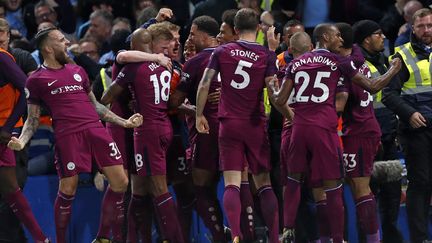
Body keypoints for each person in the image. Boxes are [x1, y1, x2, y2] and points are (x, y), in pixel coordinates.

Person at [7, 27, 143, 243]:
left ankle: (102, 238)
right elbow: (32, 119)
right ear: (49, 48)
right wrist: (22, 141)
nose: (67, 44)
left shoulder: (78, 71)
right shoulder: (37, 80)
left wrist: (123, 122)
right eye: (62, 40)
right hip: (68, 135)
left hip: (96, 130)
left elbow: (96, 106)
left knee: (121, 183)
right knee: (68, 189)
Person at [271, 23, 401, 243]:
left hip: (298, 129)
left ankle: (287, 229)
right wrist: (394, 69)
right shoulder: (338, 62)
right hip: (326, 129)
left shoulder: (295, 63)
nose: (340, 39)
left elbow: (280, 100)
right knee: (335, 187)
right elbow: (371, 86)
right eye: (336, 36)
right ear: (325, 37)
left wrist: (274, 89)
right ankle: (339, 239)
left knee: (294, 180)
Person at [195, 8, 280, 243]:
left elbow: (204, 84)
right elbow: (273, 92)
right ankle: (274, 238)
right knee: (263, 183)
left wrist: (198, 115)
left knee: (231, 182)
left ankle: (235, 235)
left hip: (228, 123)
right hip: (254, 124)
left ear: (235, 29)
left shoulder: (222, 51)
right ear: (259, 29)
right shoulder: (265, 54)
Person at [101, 24, 185, 243]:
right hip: (165, 126)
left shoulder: (132, 69)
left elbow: (106, 98)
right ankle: (135, 239)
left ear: (136, 47)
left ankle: (174, 239)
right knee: (139, 189)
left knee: (158, 189)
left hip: (146, 131)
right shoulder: (169, 67)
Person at [170, 15, 227, 242]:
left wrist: (196, 110)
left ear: (205, 35)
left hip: (205, 131)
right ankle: (251, 235)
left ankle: (219, 236)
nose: (190, 39)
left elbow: (173, 102)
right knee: (241, 185)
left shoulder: (194, 63)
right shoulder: (234, 56)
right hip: (238, 128)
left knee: (201, 187)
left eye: (193, 34)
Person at [382, 8, 432, 243]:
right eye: (421, 26)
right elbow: (388, 95)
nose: (426, 31)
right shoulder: (401, 55)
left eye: (430, 26)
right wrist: (409, 113)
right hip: (417, 130)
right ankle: (419, 239)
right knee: (420, 183)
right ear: (413, 28)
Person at [353, 19, 404, 243]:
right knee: (367, 196)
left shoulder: (382, 61)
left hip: (389, 138)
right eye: (378, 34)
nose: (383, 37)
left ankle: (391, 237)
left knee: (392, 195)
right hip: (368, 142)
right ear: (366, 39)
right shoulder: (356, 64)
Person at [0, 36, 50, 243]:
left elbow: (27, 89)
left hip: (3, 134)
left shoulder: (2, 58)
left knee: (12, 190)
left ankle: (40, 239)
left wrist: (8, 126)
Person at [335, 22, 381, 243]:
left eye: (330, 37)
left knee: (361, 188)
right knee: (355, 188)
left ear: (340, 40)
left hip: (359, 131)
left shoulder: (346, 65)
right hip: (361, 129)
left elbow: (339, 105)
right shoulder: (357, 61)